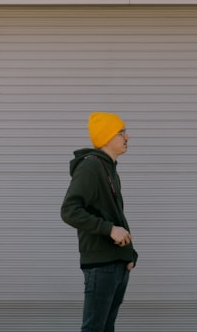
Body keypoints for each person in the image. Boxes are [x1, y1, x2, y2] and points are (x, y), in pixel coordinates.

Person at [60, 111, 138, 332]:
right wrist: (110, 230)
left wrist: (129, 254)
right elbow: (69, 210)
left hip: (116, 264)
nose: (127, 137)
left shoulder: (109, 169)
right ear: (107, 137)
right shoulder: (90, 167)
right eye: (121, 132)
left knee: (106, 328)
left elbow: (115, 214)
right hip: (102, 266)